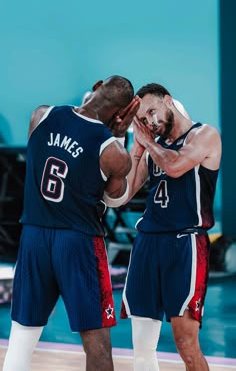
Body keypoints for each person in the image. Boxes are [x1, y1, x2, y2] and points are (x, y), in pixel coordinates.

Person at [2, 75, 140, 371]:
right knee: (98, 344)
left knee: (21, 338)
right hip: (78, 241)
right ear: (121, 114)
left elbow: (48, 154)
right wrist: (117, 137)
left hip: (34, 236)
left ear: (95, 87)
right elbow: (115, 198)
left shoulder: (41, 115)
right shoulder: (113, 152)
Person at [121, 83, 222, 371]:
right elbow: (125, 193)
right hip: (147, 242)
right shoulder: (154, 145)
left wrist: (149, 143)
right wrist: (137, 149)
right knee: (141, 347)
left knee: (186, 344)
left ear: (168, 101)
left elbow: (176, 167)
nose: (150, 122)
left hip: (185, 243)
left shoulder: (205, 135)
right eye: (143, 118)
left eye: (152, 111)